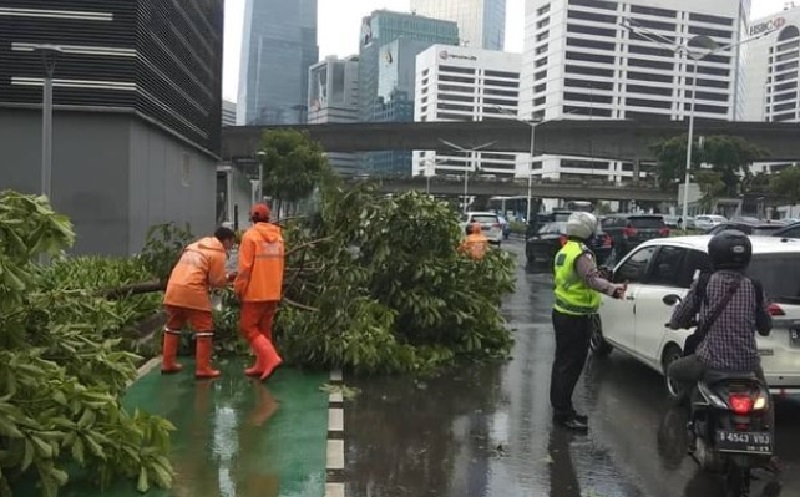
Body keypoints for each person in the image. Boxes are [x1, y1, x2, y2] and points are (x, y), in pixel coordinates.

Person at [667, 231, 773, 416]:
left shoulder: (705, 283)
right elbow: (765, 328)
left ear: (714, 255)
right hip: (748, 365)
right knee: (766, 401)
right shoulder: (754, 286)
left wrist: (675, 324)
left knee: (674, 370)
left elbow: (680, 317)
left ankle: (692, 416)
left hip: (710, 362)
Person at [551, 212, 626, 431]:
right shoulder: (582, 254)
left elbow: (579, 277)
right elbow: (590, 279)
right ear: (587, 231)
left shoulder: (565, 250)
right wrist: (612, 289)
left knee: (562, 365)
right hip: (576, 318)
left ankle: (562, 410)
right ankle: (564, 414)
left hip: (563, 313)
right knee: (570, 366)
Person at [161, 227, 237, 378]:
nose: (231, 247)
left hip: (174, 289)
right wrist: (229, 278)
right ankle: (203, 368)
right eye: (232, 243)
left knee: (173, 327)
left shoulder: (195, 247)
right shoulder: (217, 252)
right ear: (226, 240)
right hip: (193, 291)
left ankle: (167, 363)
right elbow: (217, 281)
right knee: (205, 329)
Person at [234, 203, 284, 381]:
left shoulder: (251, 236)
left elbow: (245, 268)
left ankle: (271, 358)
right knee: (264, 329)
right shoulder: (278, 237)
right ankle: (262, 364)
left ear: (253, 218)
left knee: (247, 328)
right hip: (273, 291)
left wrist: (239, 288)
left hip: (255, 291)